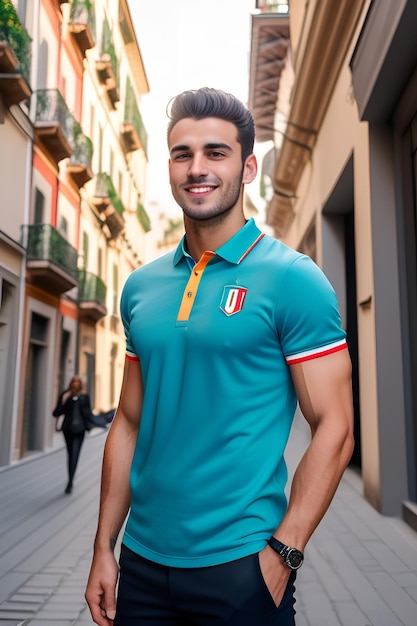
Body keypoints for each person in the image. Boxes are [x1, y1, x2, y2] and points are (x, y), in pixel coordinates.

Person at [85, 87, 354, 625]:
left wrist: (284, 554)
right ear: (169, 167)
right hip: (141, 563)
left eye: (216, 153)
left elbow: (336, 426)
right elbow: (130, 422)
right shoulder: (140, 287)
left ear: (248, 166)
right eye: (183, 154)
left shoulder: (293, 279)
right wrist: (103, 549)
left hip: (242, 567)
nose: (197, 168)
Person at [53, 375, 92, 494]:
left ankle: (70, 481)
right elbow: (56, 412)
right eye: (73, 383)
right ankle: (70, 479)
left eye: (77, 383)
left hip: (78, 430)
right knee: (72, 454)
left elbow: (87, 413)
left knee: (73, 455)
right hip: (69, 430)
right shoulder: (65, 395)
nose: (75, 385)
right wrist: (67, 402)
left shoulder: (84, 396)